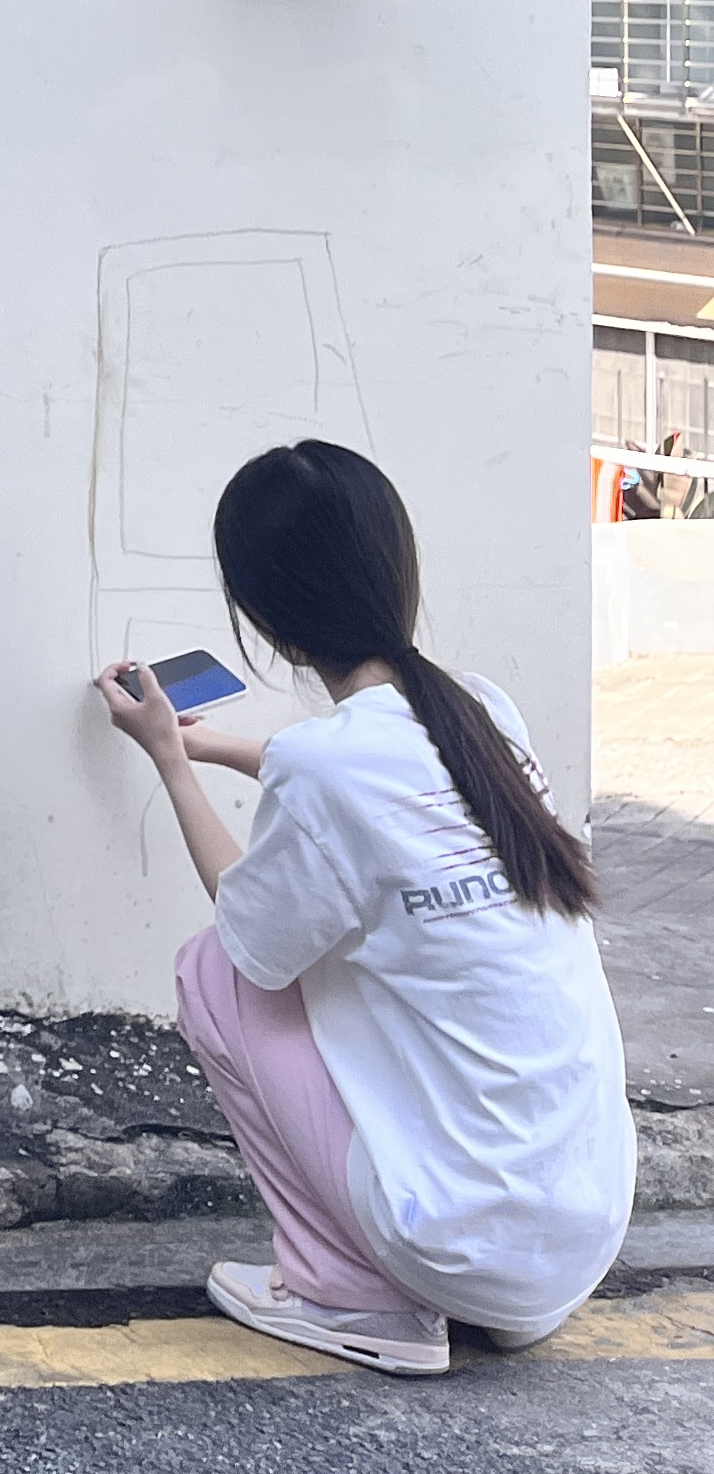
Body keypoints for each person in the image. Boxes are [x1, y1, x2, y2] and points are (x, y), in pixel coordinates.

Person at [94, 440, 632, 1373]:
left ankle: (348, 1292)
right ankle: (487, 1301)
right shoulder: (482, 713)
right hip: (575, 1246)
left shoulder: (330, 767)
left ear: (265, 619)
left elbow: (246, 928)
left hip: (460, 1246)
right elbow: (375, 802)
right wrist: (219, 747)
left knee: (213, 972)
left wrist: (171, 762)